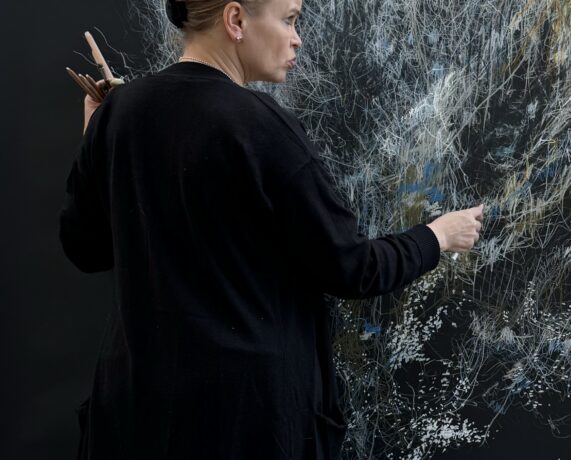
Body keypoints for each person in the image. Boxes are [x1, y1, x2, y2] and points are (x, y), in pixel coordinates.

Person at [60, 0, 484, 458]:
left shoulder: (119, 112)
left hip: (134, 417)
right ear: (236, 19)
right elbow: (353, 268)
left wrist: (95, 138)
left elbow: (85, 249)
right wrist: (438, 236)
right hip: (243, 423)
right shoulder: (259, 124)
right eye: (289, 19)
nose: (297, 38)